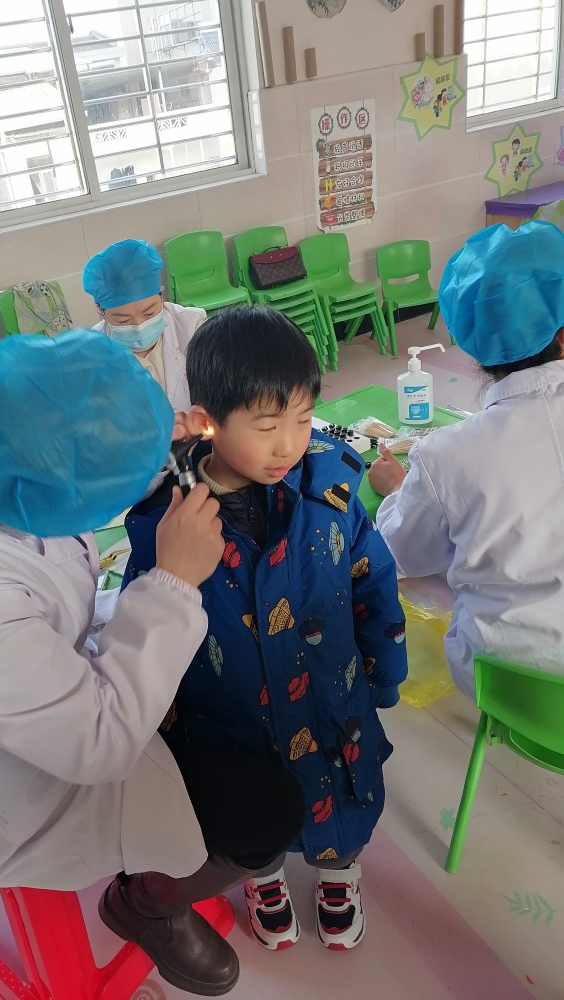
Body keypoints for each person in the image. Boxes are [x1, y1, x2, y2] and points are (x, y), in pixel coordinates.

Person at [0, 329, 306, 997]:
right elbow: (97, 744)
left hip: (12, 663)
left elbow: (67, 431)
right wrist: (173, 582)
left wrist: (141, 435)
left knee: (216, 698)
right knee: (266, 810)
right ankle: (148, 904)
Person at [122, 305, 407, 953]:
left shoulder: (330, 491)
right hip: (230, 716)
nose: (289, 445)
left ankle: (339, 877)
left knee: (343, 798)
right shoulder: (170, 520)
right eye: (267, 425)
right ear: (207, 422)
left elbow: (373, 580)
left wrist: (384, 671)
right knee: (257, 817)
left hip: (331, 700)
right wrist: (160, 724)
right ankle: (265, 879)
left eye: (303, 420)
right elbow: (147, 619)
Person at [368, 220, 564, 700]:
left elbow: (402, 555)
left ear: (476, 348)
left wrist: (397, 490)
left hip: (510, 685)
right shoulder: (449, 454)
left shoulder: (448, 454)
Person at [83, 238, 205, 411]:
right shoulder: (93, 352)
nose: (139, 326)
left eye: (149, 313)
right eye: (123, 320)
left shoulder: (192, 326)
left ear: (161, 295)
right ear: (100, 310)